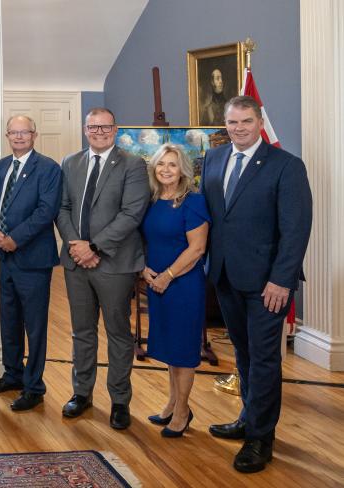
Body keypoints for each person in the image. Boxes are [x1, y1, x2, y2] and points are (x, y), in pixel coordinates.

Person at [203, 96, 312, 473]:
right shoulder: (214, 159)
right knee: (244, 354)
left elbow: (296, 230)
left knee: (265, 360)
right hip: (225, 277)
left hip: (268, 283)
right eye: (232, 123)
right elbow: (215, 219)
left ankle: (261, 438)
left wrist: (282, 280)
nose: (238, 129)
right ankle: (248, 419)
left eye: (246, 122)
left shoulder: (286, 166)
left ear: (259, 121)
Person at [55, 107, 149, 430]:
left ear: (115, 129)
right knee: (82, 332)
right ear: (85, 129)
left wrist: (94, 247)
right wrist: (76, 246)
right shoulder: (71, 163)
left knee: (118, 333)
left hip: (115, 263)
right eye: (93, 127)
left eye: (104, 127)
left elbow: (132, 213)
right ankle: (81, 393)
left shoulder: (133, 164)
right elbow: (63, 208)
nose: (98, 132)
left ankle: (120, 400)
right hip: (75, 262)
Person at [0, 115, 62, 411]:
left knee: (35, 326)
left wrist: (15, 238)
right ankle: (12, 374)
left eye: (24, 132)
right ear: (7, 135)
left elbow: (46, 211)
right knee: (9, 320)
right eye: (13, 132)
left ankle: (34, 386)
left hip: (33, 259)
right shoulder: (1, 166)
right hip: (5, 255)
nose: (18, 137)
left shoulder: (49, 168)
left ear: (34, 135)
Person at [139, 143, 210, 437]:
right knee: (169, 349)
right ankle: (171, 403)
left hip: (183, 285)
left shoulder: (193, 201)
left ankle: (183, 411)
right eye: (161, 164)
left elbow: (197, 249)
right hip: (157, 286)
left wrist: (167, 276)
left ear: (182, 170)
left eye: (172, 164)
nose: (166, 170)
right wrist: (143, 268)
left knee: (182, 350)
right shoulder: (154, 200)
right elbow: (146, 240)